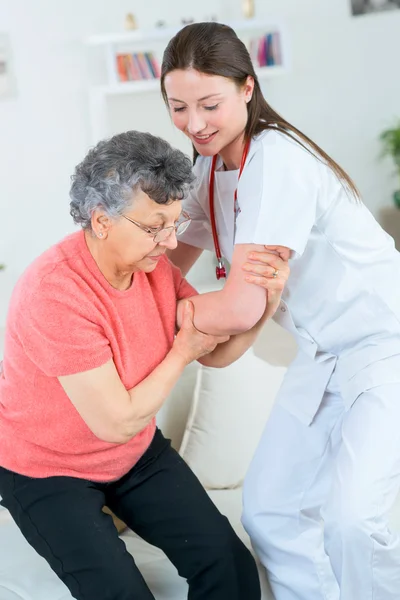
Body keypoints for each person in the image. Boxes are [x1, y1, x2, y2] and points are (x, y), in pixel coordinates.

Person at [160, 21, 400, 600]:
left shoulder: (278, 160)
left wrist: (177, 325)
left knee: (353, 522)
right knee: (270, 514)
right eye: (178, 107)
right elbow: (164, 275)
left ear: (247, 88)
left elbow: (242, 305)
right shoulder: (207, 168)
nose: (195, 124)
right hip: (322, 353)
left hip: (383, 344)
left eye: (210, 104)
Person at [0, 130, 290, 600]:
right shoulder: (53, 292)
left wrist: (266, 310)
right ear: (101, 221)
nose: (170, 241)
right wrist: (182, 350)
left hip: (134, 455)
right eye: (155, 227)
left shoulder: (156, 271)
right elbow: (114, 421)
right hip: (48, 470)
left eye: (174, 223)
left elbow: (214, 353)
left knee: (229, 563)